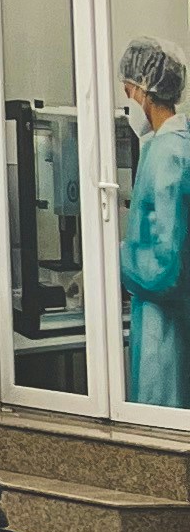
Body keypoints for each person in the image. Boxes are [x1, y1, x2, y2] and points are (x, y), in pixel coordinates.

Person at [119, 38, 189, 411]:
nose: (127, 101)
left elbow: (164, 265)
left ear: (144, 91)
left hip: (166, 327)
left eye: (128, 91)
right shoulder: (169, 145)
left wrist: (120, 259)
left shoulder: (168, 155)